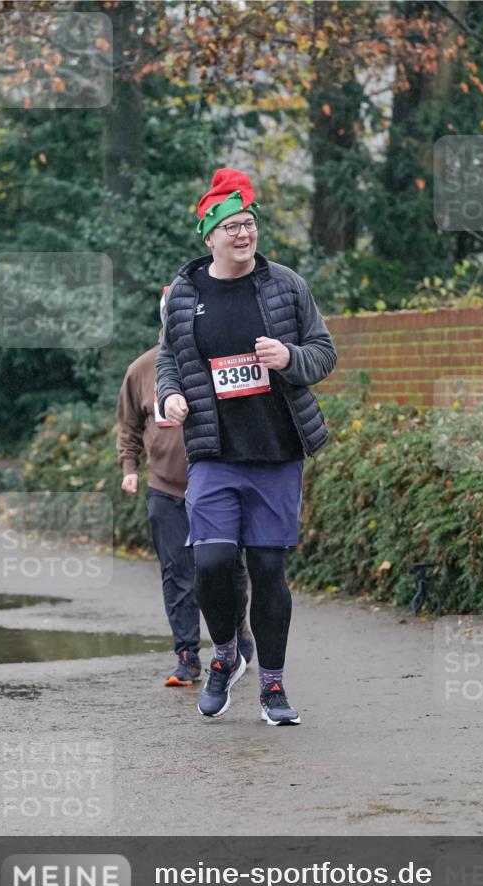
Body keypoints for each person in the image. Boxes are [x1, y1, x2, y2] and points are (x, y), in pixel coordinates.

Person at [156, 167, 336, 725]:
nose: (243, 234)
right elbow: (168, 361)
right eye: (231, 226)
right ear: (209, 236)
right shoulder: (186, 294)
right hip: (213, 451)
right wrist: (169, 399)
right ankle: (226, 654)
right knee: (210, 561)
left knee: (266, 570)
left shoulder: (286, 286)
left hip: (276, 451)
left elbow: (324, 352)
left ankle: (274, 688)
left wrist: (290, 359)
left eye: (249, 224)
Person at [117, 288, 254, 687]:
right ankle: (187, 656)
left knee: (227, 568)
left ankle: (237, 629)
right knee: (177, 573)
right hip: (165, 487)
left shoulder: (215, 358)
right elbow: (128, 425)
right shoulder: (141, 370)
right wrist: (130, 467)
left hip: (216, 483)